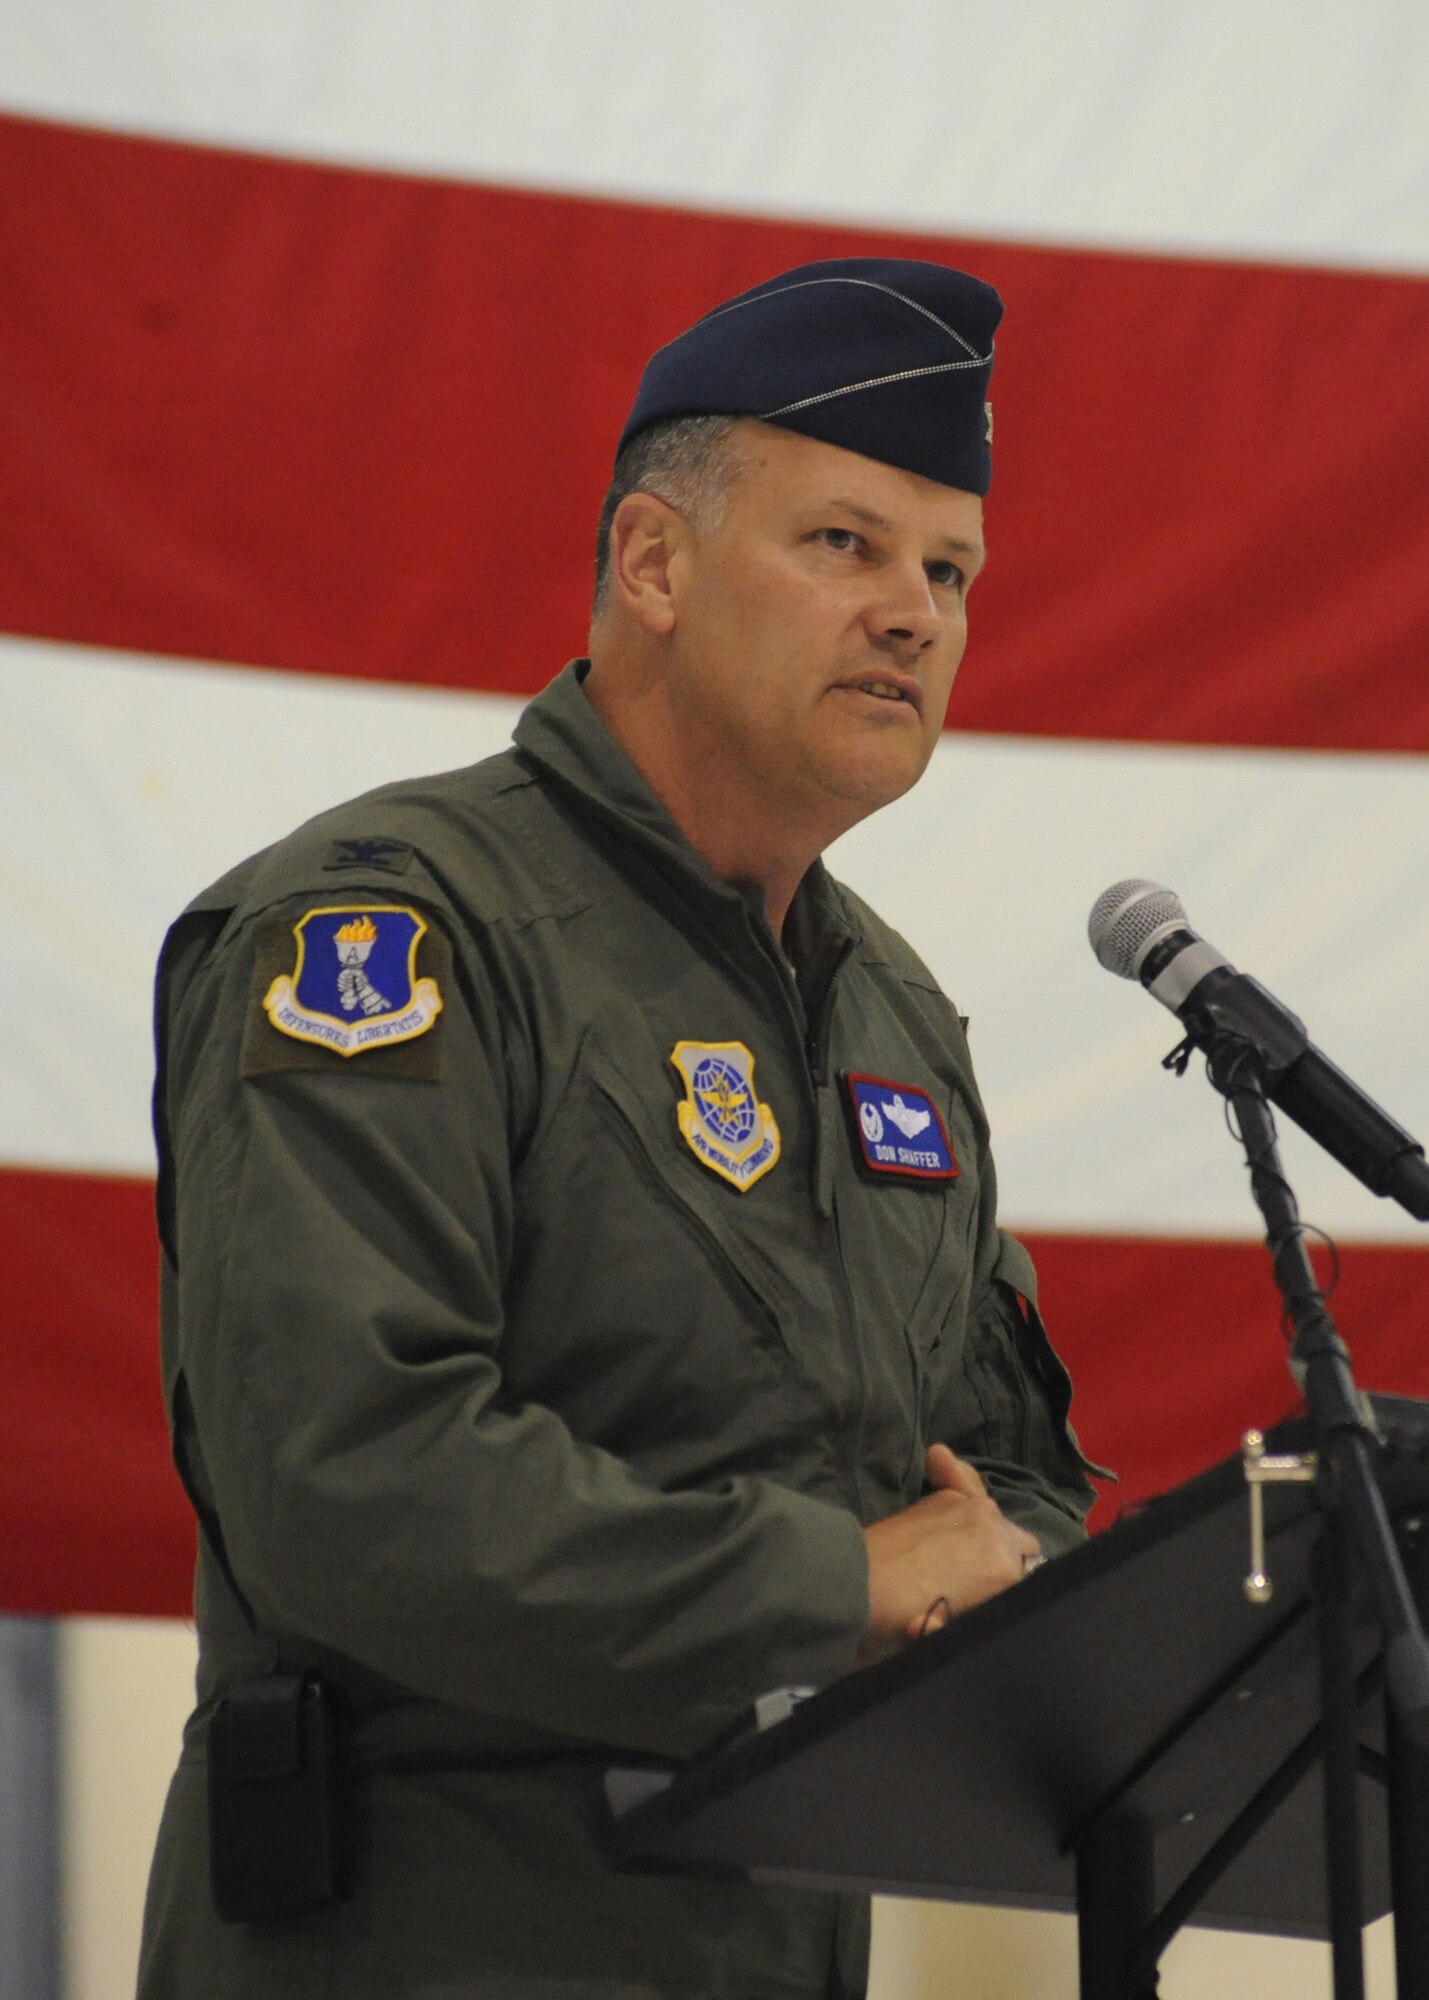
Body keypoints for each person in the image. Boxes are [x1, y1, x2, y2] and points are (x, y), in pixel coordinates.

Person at [138, 258, 1101, 2000]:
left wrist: (1022, 1576)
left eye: (946, 571)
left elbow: (992, 1474)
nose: (912, 613)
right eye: (843, 545)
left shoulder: (889, 1014)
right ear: (651, 564)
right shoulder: (390, 933)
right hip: (426, 1944)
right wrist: (836, 1585)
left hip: (778, 1931)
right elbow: (347, 1477)